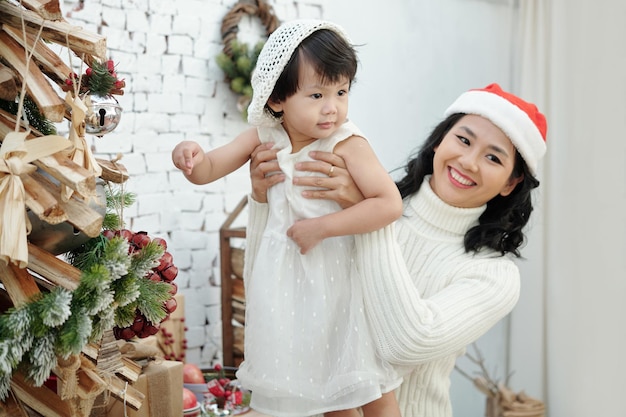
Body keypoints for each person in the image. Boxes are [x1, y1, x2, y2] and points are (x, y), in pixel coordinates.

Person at [247, 83, 548, 417]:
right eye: (463, 139)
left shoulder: (495, 275)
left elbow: (407, 343)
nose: (469, 161)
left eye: (493, 157)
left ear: (511, 182)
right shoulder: (358, 197)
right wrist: (262, 201)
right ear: (438, 141)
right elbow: (269, 292)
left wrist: (369, 216)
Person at [171, 19, 403, 417]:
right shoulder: (264, 136)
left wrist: (322, 228)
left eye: (341, 91)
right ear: (277, 99)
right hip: (284, 289)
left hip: (337, 282)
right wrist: (190, 155)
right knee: (324, 392)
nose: (333, 107)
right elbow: (209, 168)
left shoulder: (347, 143)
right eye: (317, 94)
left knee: (364, 382)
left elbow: (388, 203)